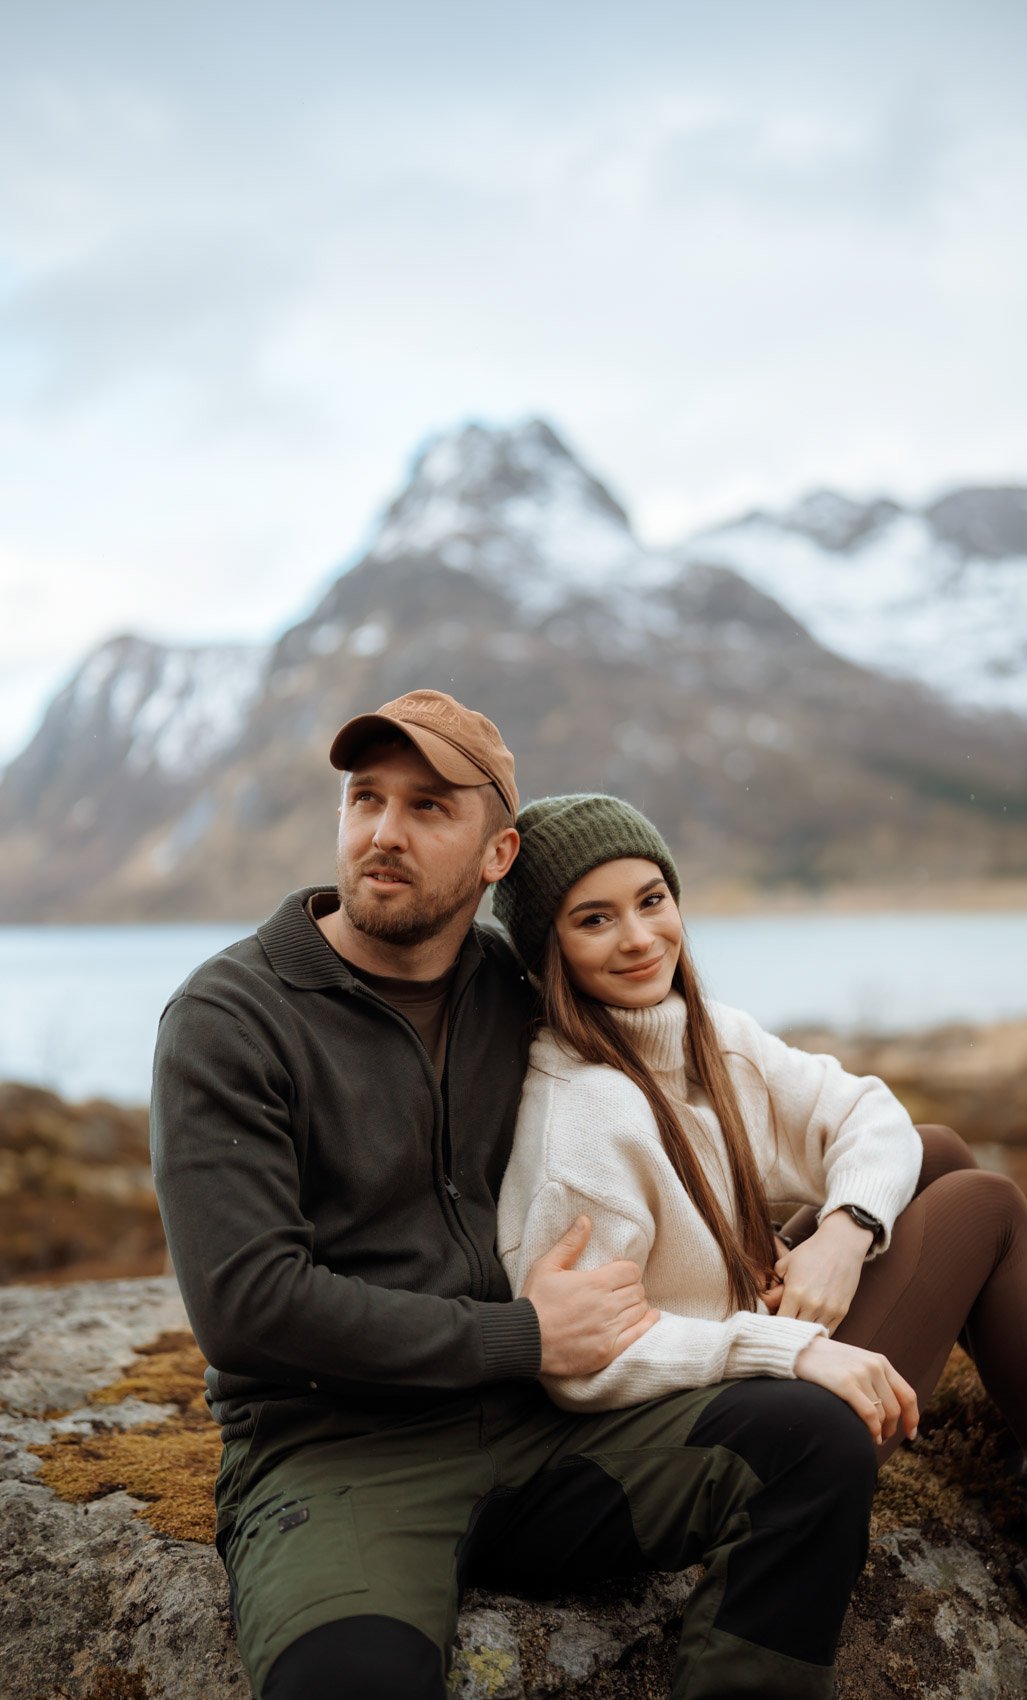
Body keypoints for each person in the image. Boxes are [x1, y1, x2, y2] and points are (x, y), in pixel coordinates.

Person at [152, 690, 887, 1700]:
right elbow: (248, 1308)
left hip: (551, 1437)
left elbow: (699, 1085)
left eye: (427, 807)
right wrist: (524, 1334)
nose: (382, 832)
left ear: (497, 854)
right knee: (349, 1680)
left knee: (816, 1443)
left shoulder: (520, 985)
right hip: (342, 1456)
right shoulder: (230, 1017)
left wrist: (822, 1227)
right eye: (364, 798)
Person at [491, 792, 1027, 1628]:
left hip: (742, 1347)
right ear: (549, 948)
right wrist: (784, 1347)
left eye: (651, 900)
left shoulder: (701, 1036)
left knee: (932, 1151)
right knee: (987, 1206)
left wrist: (844, 1231)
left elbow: (869, 1113)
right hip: (710, 1436)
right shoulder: (577, 1120)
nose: (640, 937)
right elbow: (587, 1364)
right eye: (594, 919)